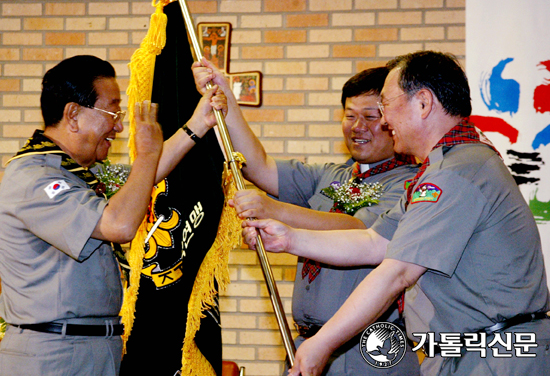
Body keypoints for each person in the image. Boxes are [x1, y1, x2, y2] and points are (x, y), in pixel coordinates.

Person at [242, 51, 550, 376]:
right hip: (468, 354)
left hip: (495, 356)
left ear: (423, 103)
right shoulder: (441, 169)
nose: (385, 120)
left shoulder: (458, 171)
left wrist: (322, 343)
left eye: (385, 105)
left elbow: (397, 271)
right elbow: (374, 242)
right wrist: (288, 239)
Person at [0, 55, 225, 376]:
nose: (119, 126)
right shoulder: (35, 178)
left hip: (90, 349)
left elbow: (139, 183)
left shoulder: (79, 175)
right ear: (73, 114)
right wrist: (147, 152)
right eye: (112, 112)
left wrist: (198, 124)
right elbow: (119, 224)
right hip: (54, 354)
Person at [193, 59, 420, 375]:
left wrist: (275, 210)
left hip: (370, 350)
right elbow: (258, 166)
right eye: (350, 115)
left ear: (392, 119)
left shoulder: (411, 182)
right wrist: (227, 96)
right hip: (306, 343)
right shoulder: (329, 174)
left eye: (371, 117)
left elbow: (360, 231)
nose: (358, 127)